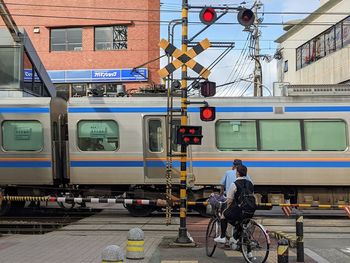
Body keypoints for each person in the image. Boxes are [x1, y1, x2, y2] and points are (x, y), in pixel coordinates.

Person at [214, 164, 254, 244]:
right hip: (250, 211)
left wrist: (227, 208)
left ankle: (222, 237)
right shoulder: (250, 184)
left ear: (238, 173)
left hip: (240, 211)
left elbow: (229, 200)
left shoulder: (234, 184)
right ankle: (244, 247)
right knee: (241, 223)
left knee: (224, 214)